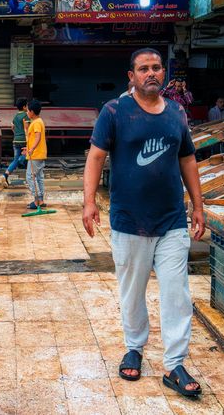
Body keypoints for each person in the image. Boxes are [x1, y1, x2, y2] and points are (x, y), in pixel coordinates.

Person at [82, 48, 206, 399]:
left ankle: (175, 364)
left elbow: (188, 159)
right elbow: (95, 156)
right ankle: (134, 347)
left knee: (176, 293)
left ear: (163, 73)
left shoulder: (177, 113)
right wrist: (89, 202)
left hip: (171, 221)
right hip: (129, 221)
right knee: (132, 292)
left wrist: (198, 205)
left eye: (156, 68)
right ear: (131, 76)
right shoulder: (115, 111)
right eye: (143, 69)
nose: (151, 73)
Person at [23, 98, 47, 209]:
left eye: (27, 110)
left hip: (36, 154)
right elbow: (33, 138)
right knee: (38, 178)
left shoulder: (36, 123)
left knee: (30, 177)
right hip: (39, 153)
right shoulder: (38, 122)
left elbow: (37, 137)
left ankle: (37, 200)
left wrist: (32, 149)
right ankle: (41, 200)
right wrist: (27, 148)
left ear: (32, 112)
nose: (27, 112)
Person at [3, 98, 29, 185]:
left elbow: (12, 127)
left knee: (15, 160)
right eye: (27, 105)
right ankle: (29, 179)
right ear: (24, 106)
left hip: (16, 140)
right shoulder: (26, 115)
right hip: (24, 140)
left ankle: (5, 175)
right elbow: (27, 128)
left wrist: (16, 133)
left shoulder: (16, 116)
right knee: (26, 157)